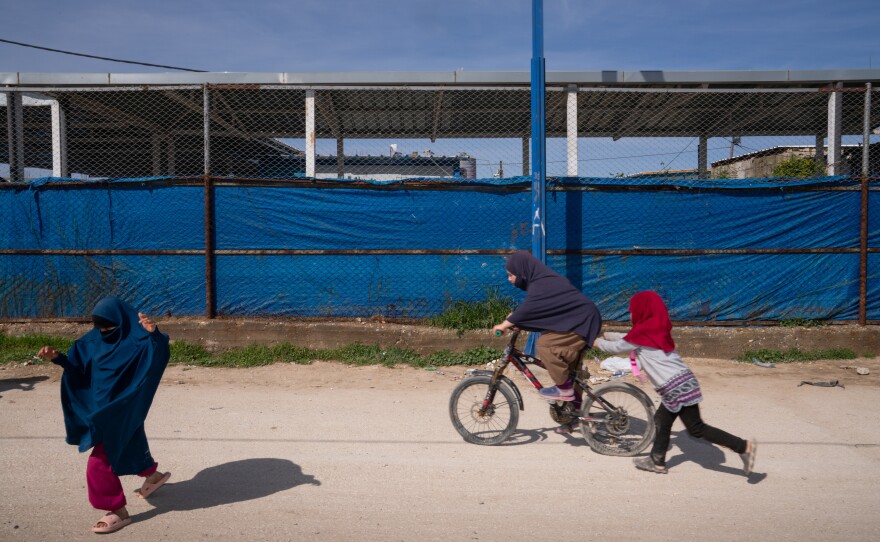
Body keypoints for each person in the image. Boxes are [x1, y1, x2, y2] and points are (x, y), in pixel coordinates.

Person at [36, 297, 172, 534]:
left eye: (110, 328)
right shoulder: (90, 342)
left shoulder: (138, 339)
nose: (105, 332)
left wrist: (155, 335)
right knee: (130, 441)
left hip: (124, 407)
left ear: (121, 322)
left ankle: (117, 511)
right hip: (99, 407)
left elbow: (157, 359)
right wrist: (58, 358)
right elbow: (78, 372)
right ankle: (154, 475)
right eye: (101, 328)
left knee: (99, 462)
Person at [593, 290, 756, 475]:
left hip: (676, 387)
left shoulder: (642, 333)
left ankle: (743, 446)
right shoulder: (653, 327)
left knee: (696, 429)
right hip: (682, 382)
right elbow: (627, 338)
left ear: (642, 310)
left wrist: (595, 342)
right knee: (662, 420)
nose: (630, 314)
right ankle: (657, 461)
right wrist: (607, 334)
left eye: (632, 310)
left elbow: (618, 346)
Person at [492, 251, 602, 424]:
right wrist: (516, 319)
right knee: (572, 374)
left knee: (545, 345)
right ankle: (574, 417)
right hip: (580, 321)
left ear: (521, 272)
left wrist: (505, 324)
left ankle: (563, 389)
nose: (509, 279)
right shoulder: (542, 282)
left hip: (581, 323)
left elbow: (531, 307)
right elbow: (539, 308)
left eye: (511, 275)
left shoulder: (541, 284)